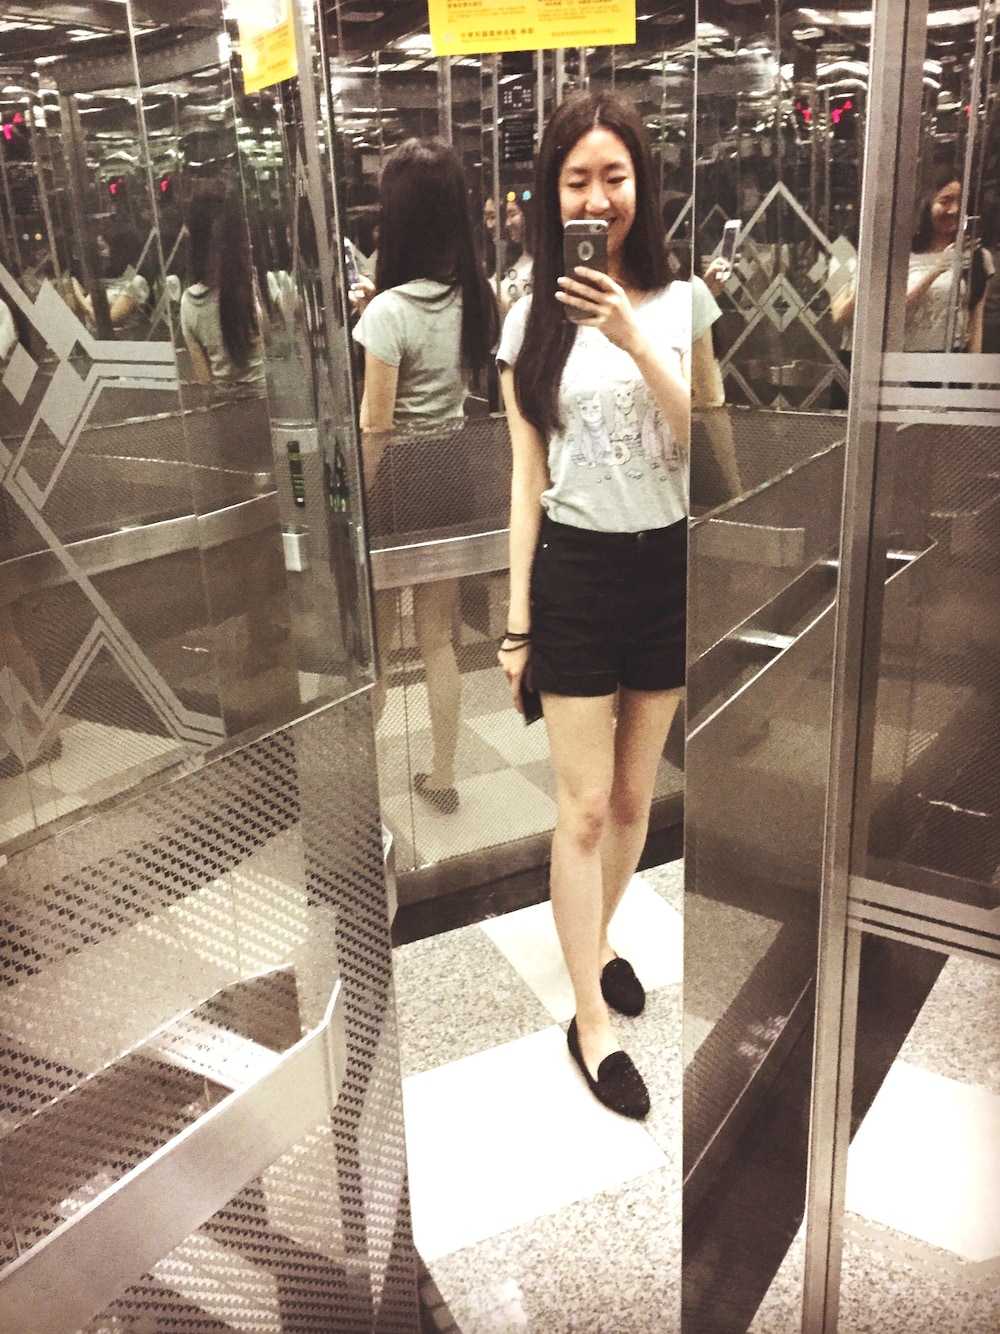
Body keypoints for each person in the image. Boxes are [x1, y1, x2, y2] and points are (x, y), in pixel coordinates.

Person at [497, 93, 689, 1119]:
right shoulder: (527, 319)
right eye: (577, 179)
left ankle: (601, 936)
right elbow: (526, 478)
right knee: (579, 805)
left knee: (631, 800)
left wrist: (632, 334)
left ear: (641, 185)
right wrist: (517, 621)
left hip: (667, 571)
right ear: (551, 193)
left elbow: (714, 445)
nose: (597, 197)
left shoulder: (683, 302)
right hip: (574, 571)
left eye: (614, 176)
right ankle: (590, 1022)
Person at [353, 138, 498, 814]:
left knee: (381, 647)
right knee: (440, 639)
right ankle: (442, 775)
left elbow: (375, 426)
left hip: (396, 480)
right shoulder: (477, 297)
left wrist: (357, 502)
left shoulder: (387, 312)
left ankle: (359, 790)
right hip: (451, 471)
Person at [832, 169, 991, 354]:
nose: (954, 210)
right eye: (945, 201)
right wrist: (937, 270)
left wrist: (972, 368)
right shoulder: (851, 251)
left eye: (961, 202)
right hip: (881, 357)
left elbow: (975, 324)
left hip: (944, 360)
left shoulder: (976, 256)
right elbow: (842, 316)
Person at [180, 182, 264, 388]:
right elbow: (268, 340)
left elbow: (205, 380)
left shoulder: (190, 302)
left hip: (225, 402)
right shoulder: (248, 284)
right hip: (266, 396)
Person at [494, 191, 535, 315]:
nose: (508, 223)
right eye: (506, 216)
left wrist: (505, 301)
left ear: (528, 216)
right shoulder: (514, 259)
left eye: (513, 215)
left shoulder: (540, 263)